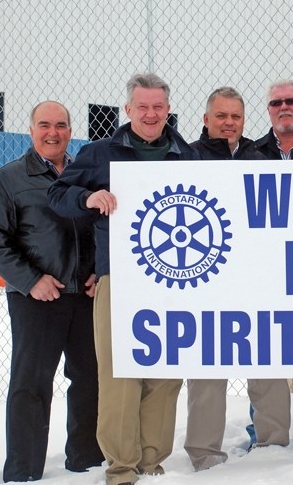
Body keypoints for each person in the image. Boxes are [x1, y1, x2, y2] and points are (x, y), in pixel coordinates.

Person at [48, 73, 198, 485]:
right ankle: (121, 466)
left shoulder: (187, 154)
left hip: (179, 279)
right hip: (121, 277)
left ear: (169, 110)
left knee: (167, 373)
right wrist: (87, 197)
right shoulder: (99, 154)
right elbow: (57, 195)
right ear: (128, 109)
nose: (151, 114)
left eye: (158, 107)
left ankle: (153, 461)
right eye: (142, 107)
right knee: (118, 372)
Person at [0, 101, 104, 482]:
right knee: (31, 383)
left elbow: (103, 229)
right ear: (31, 130)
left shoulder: (85, 175)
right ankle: (23, 470)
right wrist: (30, 280)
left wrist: (100, 271)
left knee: (90, 379)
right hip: (37, 299)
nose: (54, 132)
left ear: (71, 130)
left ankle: (86, 461)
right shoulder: (11, 178)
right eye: (45, 125)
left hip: (85, 296)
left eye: (61, 125)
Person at [183, 87, 290, 471]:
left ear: (245, 120)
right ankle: (205, 452)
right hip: (205, 279)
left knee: (268, 359)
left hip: (256, 277)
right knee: (207, 368)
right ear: (206, 119)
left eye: (236, 117)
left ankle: (273, 442)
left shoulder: (260, 157)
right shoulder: (185, 158)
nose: (229, 123)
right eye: (221, 116)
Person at [250, 79, 293, 446]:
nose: (284, 107)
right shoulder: (252, 151)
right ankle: (264, 432)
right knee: (265, 349)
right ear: (269, 110)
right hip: (266, 267)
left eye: (291, 100)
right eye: (276, 102)